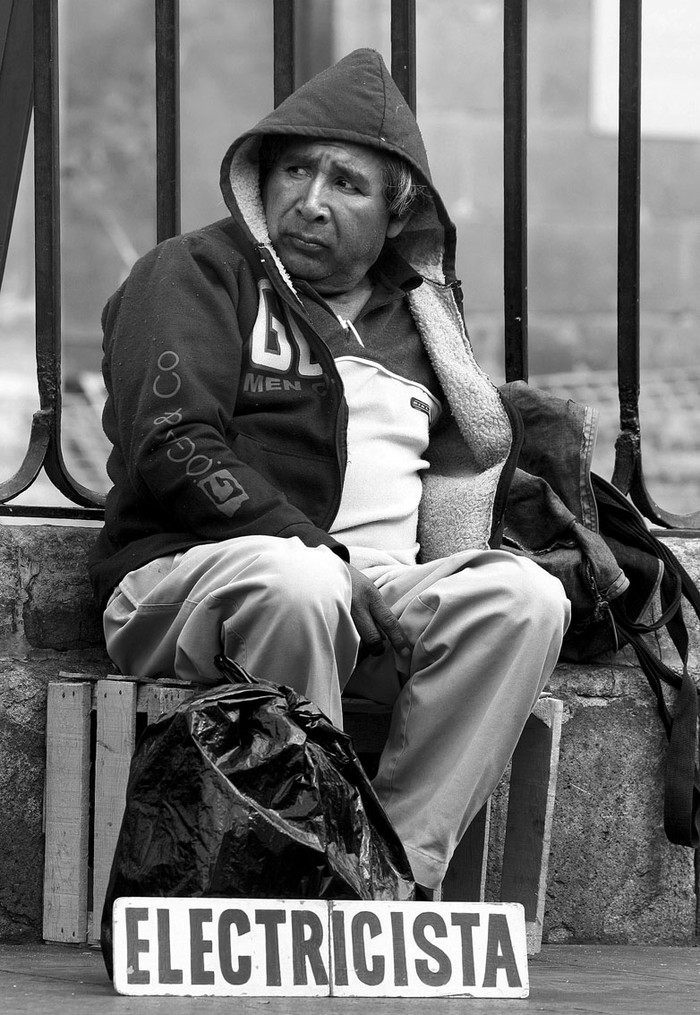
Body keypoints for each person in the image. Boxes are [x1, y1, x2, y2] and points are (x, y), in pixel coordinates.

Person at [89, 48, 570, 894]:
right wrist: (328, 559)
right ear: (260, 180)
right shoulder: (198, 271)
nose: (310, 201)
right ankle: (299, 872)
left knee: (525, 599)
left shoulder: (422, 322)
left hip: (377, 584)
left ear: (396, 213)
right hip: (193, 575)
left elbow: (466, 468)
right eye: (295, 171)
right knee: (300, 581)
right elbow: (174, 442)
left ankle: (390, 876)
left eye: (347, 183)